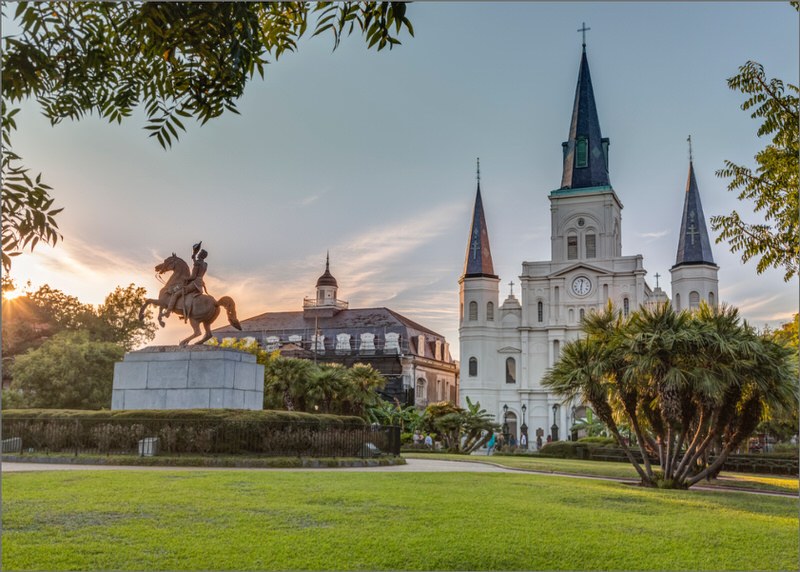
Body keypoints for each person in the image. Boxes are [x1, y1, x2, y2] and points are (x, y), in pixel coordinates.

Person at [165, 242, 208, 320]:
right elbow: (197, 266)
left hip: (194, 284)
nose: (198, 253)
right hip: (200, 283)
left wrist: (185, 278)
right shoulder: (205, 264)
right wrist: (194, 257)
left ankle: (168, 312)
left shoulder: (197, 263)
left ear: (201, 255)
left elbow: (193, 276)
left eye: (200, 253)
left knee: (176, 294)